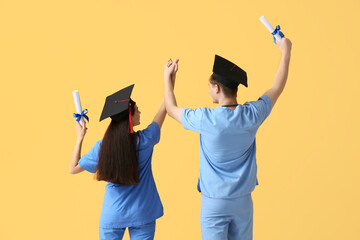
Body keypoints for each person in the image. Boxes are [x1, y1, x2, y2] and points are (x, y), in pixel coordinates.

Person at [163, 38, 292, 240]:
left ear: (217, 88)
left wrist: (168, 78)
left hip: (214, 203)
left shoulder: (205, 119)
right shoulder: (252, 115)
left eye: (209, 86)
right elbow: (277, 87)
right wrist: (286, 52)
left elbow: (171, 109)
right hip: (242, 202)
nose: (208, 90)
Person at [69, 82, 173, 240]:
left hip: (113, 213)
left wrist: (80, 137)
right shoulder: (145, 140)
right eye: (137, 110)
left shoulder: (103, 147)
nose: (139, 112)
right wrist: (169, 79)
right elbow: (165, 106)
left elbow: (74, 168)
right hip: (143, 212)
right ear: (129, 118)